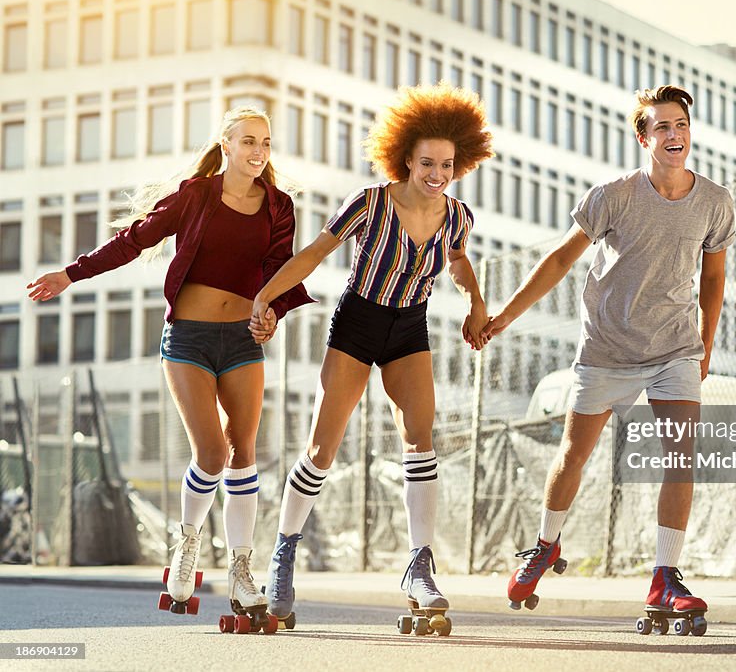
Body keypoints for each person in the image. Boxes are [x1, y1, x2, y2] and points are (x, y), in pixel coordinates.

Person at [27, 107, 313, 623]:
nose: (258, 151)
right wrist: (71, 274)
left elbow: (279, 270)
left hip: (242, 339)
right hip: (188, 336)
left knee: (245, 447)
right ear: (225, 144)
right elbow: (134, 240)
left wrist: (271, 312)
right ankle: (186, 548)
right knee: (212, 451)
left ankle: (241, 567)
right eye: (248, 141)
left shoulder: (279, 206)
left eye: (266, 143)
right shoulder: (195, 195)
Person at [482, 86, 734, 625]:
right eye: (661, 126)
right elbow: (558, 259)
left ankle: (665, 578)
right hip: (608, 347)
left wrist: (706, 344)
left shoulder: (714, 201)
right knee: (575, 453)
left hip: (675, 348)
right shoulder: (613, 195)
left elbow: (713, 278)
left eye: (681, 124)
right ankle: (545, 545)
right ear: (643, 138)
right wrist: (505, 316)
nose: (674, 134)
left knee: (680, 458)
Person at [250, 82, 492, 629]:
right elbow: (315, 252)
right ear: (405, 158)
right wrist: (266, 296)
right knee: (322, 446)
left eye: (447, 164)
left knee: (420, 439)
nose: (437, 173)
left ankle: (419, 565)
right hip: (358, 322)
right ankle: (284, 554)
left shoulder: (457, 215)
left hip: (409, 325)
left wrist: (476, 300)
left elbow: (457, 261)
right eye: (427, 162)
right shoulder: (370, 202)